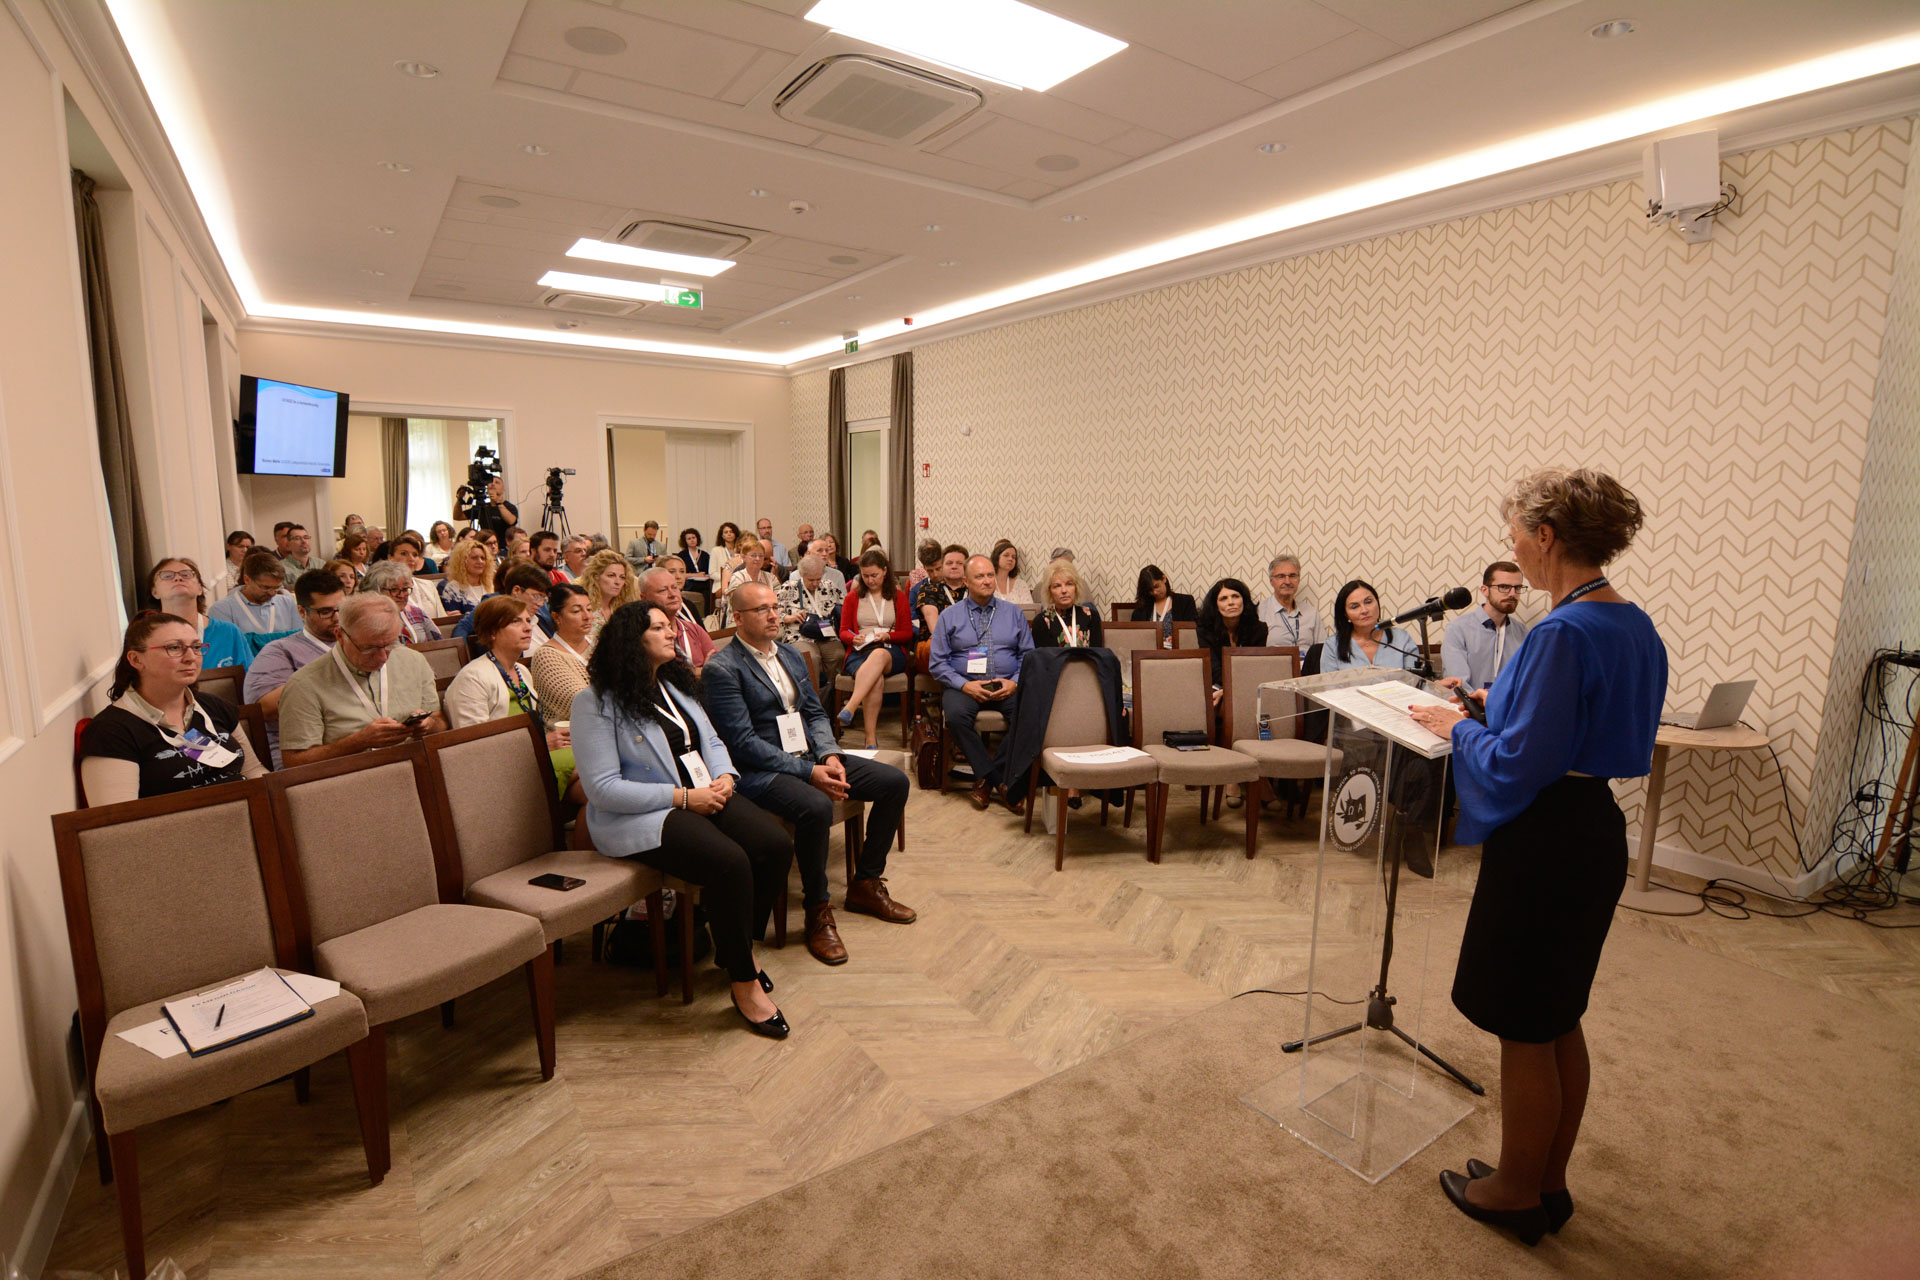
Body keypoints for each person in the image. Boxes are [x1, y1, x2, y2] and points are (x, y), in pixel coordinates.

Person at [1405, 468, 1666, 1246]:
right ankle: (1547, 1181)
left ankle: (1514, 1193)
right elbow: (1586, 724)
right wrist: (1500, 707)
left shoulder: (1559, 631)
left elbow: (1521, 764)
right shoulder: (1631, 622)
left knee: (1522, 1021)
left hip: (1546, 839)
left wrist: (1460, 727)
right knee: (1558, 1015)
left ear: (1546, 537)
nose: (1511, 546)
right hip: (1593, 829)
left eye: (1516, 533)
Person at [571, 601, 794, 1038]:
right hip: (646, 812)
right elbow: (603, 789)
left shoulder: (674, 686)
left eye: (669, 625)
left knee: (774, 846)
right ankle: (744, 983)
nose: (672, 632)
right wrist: (684, 798)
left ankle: (734, 948)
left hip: (702, 792)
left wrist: (726, 777)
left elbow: (711, 741)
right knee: (731, 863)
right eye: (659, 628)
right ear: (632, 642)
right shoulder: (594, 702)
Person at [705, 582, 916, 966]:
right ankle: (817, 910)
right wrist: (809, 771)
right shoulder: (723, 668)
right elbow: (743, 743)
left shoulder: (789, 654)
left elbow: (815, 714)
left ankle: (865, 884)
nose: (774, 615)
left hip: (809, 755)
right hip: (759, 772)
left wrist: (830, 754)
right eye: (762, 610)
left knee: (894, 783)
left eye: (775, 607)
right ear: (738, 618)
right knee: (816, 806)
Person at [80, 613, 268, 804]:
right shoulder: (110, 731)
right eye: (174, 648)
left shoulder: (213, 706)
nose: (191, 657)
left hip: (248, 814)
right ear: (136, 659)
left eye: (196, 647)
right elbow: (120, 819)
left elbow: (253, 771)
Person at [277, 594, 445, 767]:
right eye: (369, 648)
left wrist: (428, 725)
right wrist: (358, 742)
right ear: (340, 636)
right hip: (352, 777)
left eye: (390, 644)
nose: (382, 657)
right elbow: (294, 762)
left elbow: (440, 723)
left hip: (417, 767)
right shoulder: (304, 685)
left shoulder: (413, 661)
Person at [444, 596, 579, 799]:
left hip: (532, 757)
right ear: (492, 632)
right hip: (500, 769)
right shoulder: (472, 678)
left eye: (528, 621)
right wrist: (540, 744)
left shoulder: (521, 671)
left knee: (595, 776)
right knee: (594, 766)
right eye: (516, 621)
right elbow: (474, 748)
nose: (528, 628)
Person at [929, 555, 1031, 811]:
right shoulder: (949, 616)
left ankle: (987, 779)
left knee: (1031, 715)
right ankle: (1001, 782)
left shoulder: (1014, 613)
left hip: (1006, 685)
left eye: (990, 575)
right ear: (966, 581)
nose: (987, 581)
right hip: (965, 685)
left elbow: (1028, 656)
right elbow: (938, 664)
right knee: (955, 716)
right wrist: (964, 685)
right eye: (979, 576)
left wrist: (1015, 682)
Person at [243, 571, 346, 767]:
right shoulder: (279, 651)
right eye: (325, 612)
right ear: (302, 612)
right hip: (304, 753)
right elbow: (263, 709)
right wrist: (340, 667)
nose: (337, 618)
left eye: (342, 609)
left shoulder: (359, 643)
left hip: (357, 740)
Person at [1195, 577, 1267, 808]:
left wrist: (1231, 690)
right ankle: (1237, 777)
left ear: (1244, 600)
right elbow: (1214, 668)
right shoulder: (1205, 629)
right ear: (1216, 605)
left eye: (1235, 596)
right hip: (1214, 685)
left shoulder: (1259, 629)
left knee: (1248, 705)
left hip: (1246, 686)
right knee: (1230, 707)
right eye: (1224, 598)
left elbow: (1254, 667)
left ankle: (1255, 773)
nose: (1231, 602)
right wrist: (1227, 690)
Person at [834, 550, 912, 749]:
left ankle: (851, 705)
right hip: (860, 650)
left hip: (891, 650)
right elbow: (843, 631)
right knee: (875, 679)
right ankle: (870, 740)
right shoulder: (853, 598)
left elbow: (907, 633)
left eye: (874, 575)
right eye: (865, 576)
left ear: (885, 571)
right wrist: (853, 637)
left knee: (879, 654)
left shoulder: (898, 597)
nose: (870, 580)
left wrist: (888, 636)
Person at [146, 557, 251, 670]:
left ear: (200, 589)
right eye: (167, 576)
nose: (177, 578)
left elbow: (251, 678)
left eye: (186, 575)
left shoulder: (229, 632)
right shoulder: (146, 636)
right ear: (154, 592)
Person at [1444, 561, 1531, 693]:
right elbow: (1458, 684)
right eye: (1504, 587)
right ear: (1485, 590)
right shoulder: (1457, 629)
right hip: (1468, 704)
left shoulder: (1522, 632)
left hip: (1508, 705)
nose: (1512, 594)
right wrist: (1482, 702)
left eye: (1517, 587)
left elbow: (1525, 681)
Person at [1321, 580, 1426, 673]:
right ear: (1345, 614)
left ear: (1377, 603)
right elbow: (1328, 686)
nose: (1364, 610)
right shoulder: (1333, 645)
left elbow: (1414, 682)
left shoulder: (1402, 638)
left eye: (1368, 602)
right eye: (1355, 606)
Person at [452, 561, 557, 653]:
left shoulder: (541, 616)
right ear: (516, 591)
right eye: (537, 596)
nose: (540, 604)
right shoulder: (495, 609)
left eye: (544, 598)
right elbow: (464, 626)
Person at [776, 553, 845, 694]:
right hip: (799, 635)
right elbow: (775, 613)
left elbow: (843, 607)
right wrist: (790, 618)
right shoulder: (789, 588)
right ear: (802, 575)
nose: (815, 583)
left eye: (818, 579)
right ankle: (813, 697)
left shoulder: (829, 586)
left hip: (826, 634)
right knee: (811, 658)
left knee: (838, 655)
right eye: (811, 580)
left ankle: (832, 696)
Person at [208, 549, 302, 647]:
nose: (272, 593)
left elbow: (299, 642)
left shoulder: (287, 603)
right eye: (266, 588)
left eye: (276, 587)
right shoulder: (222, 610)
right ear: (247, 579)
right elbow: (225, 648)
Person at [529, 582, 593, 722]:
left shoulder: (600, 643)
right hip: (570, 731)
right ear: (557, 617)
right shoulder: (546, 656)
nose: (587, 616)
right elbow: (581, 702)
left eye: (589, 609)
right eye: (576, 611)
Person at [638, 567, 714, 672]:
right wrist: (693, 674)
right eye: (663, 590)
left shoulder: (693, 629)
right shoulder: (641, 634)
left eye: (675, 587)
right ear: (644, 598)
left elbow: (717, 665)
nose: (672, 595)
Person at [912, 545, 968, 674]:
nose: (954, 566)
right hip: (939, 646)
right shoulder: (929, 589)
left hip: (970, 646)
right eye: (949, 563)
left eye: (959, 563)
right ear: (943, 565)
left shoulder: (974, 591)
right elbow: (935, 628)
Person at [1030, 559, 1104, 650]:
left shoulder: (1091, 616)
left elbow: (1097, 654)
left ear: (1076, 588)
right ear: (1049, 591)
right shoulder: (1041, 621)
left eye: (1069, 584)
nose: (1064, 590)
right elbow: (1043, 657)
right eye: (1057, 586)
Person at [1257, 554, 1327, 651]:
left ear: (1298, 579)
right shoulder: (1260, 612)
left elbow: (1323, 649)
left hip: (1306, 661)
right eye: (1281, 576)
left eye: (1292, 576)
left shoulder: (1311, 613)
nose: (1287, 582)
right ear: (1271, 581)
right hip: (1274, 661)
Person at [362, 560, 443, 643]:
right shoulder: (365, 621)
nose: (401, 595)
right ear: (376, 591)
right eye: (394, 590)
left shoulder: (417, 613)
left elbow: (440, 645)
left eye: (405, 589)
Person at [1129, 565, 1197, 647]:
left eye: (1156, 586)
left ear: (1164, 579)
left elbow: (1193, 632)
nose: (1155, 592)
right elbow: (1134, 637)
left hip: (1177, 651)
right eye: (1150, 590)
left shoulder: (1185, 602)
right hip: (1148, 652)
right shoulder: (1141, 609)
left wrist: (1177, 639)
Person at [384, 534, 446, 622]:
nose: (411, 558)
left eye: (415, 554)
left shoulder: (428, 585)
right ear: (390, 558)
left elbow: (442, 618)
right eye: (404, 553)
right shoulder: (385, 589)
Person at [583, 549, 639, 645]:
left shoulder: (622, 609)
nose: (617, 582)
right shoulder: (586, 608)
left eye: (622, 577)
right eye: (611, 575)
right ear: (596, 576)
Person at [456, 474, 519, 547]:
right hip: (485, 546)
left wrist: (498, 502)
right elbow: (458, 516)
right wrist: (459, 499)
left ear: (503, 489)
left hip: (504, 547)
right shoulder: (482, 507)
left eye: (497, 482)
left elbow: (511, 521)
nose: (493, 484)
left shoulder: (509, 507)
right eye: (491, 482)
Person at [439, 536, 495, 616]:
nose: (480, 561)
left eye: (483, 558)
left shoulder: (492, 584)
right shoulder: (452, 589)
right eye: (474, 558)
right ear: (462, 561)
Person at [677, 526, 713, 619]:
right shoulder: (681, 555)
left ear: (697, 539)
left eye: (693, 537)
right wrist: (695, 575)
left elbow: (710, 571)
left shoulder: (705, 555)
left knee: (708, 591)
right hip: (690, 583)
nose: (692, 540)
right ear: (685, 541)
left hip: (704, 582)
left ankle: (708, 616)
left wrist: (705, 575)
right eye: (689, 539)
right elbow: (680, 574)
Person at [988, 539, 1031, 604]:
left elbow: (1029, 608)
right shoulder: (987, 582)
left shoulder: (1021, 585)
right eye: (1006, 555)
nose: (1010, 559)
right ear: (996, 557)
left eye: (1013, 557)